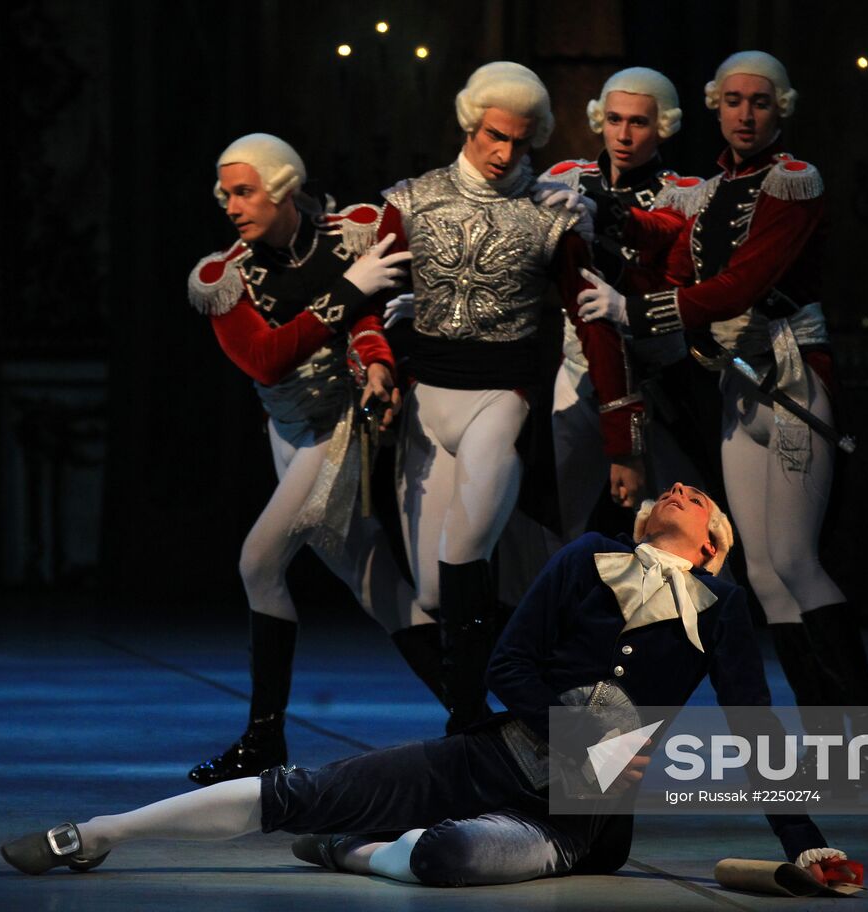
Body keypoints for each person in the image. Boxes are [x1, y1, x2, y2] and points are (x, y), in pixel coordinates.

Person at [0, 483, 861, 889]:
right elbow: (506, 669)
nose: (681, 485)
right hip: (485, 762)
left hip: (571, 820)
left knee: (448, 857)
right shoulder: (583, 561)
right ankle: (98, 831)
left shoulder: (723, 604)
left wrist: (804, 841)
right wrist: (571, 732)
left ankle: (354, 848)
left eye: (700, 496)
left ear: (713, 544)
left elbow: (757, 730)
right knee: (305, 789)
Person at [573, 53, 868, 737]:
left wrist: (635, 312)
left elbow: (739, 286)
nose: (745, 114)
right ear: (716, 106)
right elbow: (674, 257)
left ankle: (862, 742)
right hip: (740, 390)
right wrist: (608, 220)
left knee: (797, 560)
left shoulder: (793, 182)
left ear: (781, 109)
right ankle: (828, 744)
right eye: (734, 101)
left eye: (760, 103)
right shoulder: (711, 192)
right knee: (765, 572)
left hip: (793, 376)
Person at [377, 62, 645, 732]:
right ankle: (522, 709)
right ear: (471, 124)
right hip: (425, 404)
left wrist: (623, 444)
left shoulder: (551, 217)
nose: (504, 154)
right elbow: (369, 299)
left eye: (521, 144)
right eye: (495, 136)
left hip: (502, 400)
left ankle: (466, 726)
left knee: (466, 559)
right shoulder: (410, 202)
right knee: (437, 589)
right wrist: (374, 364)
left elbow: (595, 326)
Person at [183, 133, 446, 786]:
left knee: (258, 561)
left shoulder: (351, 234)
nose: (231, 205)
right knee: (373, 580)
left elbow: (383, 315)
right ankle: (473, 712)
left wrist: (368, 323)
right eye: (226, 194)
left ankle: (263, 736)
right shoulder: (225, 276)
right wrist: (345, 294)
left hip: (342, 429)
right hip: (289, 432)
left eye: (244, 192)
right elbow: (267, 359)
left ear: (283, 187)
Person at [536, 67, 724, 543]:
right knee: (562, 513)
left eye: (638, 122)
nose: (623, 134)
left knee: (685, 524)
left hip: (660, 372)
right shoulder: (563, 179)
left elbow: (676, 275)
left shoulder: (689, 191)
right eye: (615, 119)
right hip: (578, 368)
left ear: (662, 125)